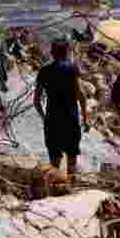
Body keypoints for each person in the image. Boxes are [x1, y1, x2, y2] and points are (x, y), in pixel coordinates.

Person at [34, 37, 90, 178]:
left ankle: (54, 188)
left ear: (52, 53)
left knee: (55, 162)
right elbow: (81, 95)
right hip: (71, 118)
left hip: (52, 119)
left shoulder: (44, 70)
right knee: (72, 159)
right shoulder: (72, 68)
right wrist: (85, 118)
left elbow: (36, 101)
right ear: (67, 52)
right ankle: (72, 187)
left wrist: (44, 117)